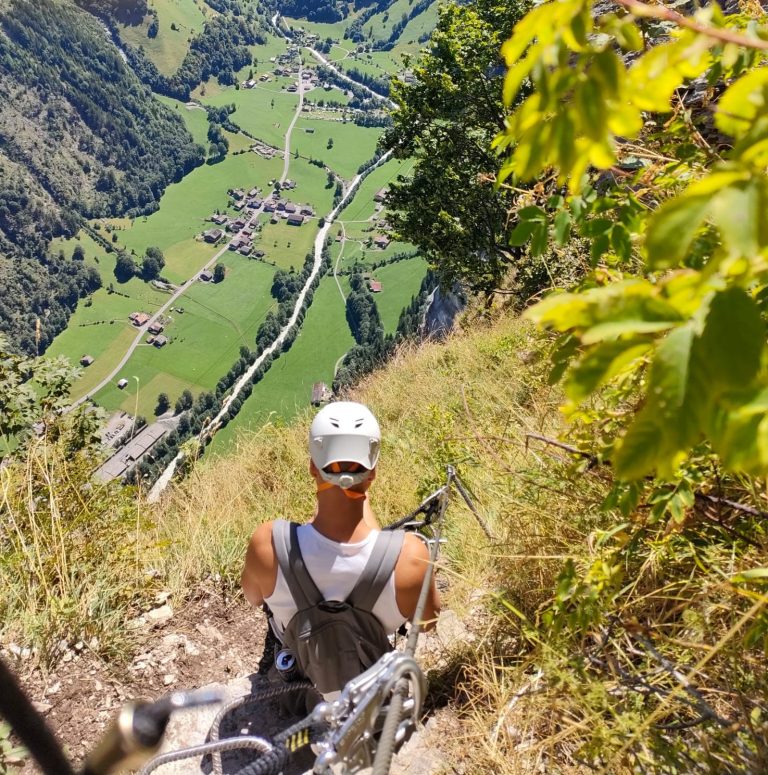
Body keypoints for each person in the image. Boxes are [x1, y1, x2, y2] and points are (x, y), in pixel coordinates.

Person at [241, 400, 440, 699]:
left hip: (300, 670)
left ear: (312, 466)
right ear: (372, 472)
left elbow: (253, 598)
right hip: (368, 681)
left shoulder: (268, 544)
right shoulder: (410, 557)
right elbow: (428, 622)